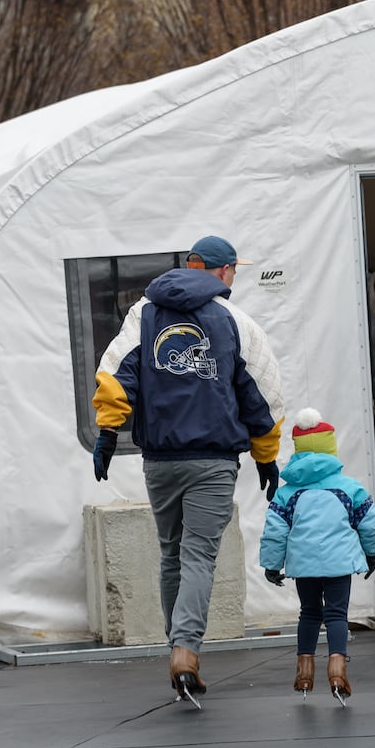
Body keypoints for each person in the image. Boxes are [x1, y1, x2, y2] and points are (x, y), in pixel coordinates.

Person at [91, 234, 284, 704]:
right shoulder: (236, 321)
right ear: (222, 272)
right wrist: (266, 454)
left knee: (172, 553)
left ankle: (175, 646)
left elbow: (117, 373)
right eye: (235, 271)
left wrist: (108, 432)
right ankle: (185, 650)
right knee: (199, 555)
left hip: (160, 460)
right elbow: (263, 394)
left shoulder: (143, 313)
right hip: (213, 461)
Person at [260, 409, 375, 703]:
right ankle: (338, 670)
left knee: (310, 613)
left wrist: (272, 564)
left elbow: (275, 531)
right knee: (336, 614)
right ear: (331, 447)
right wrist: (372, 553)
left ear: (298, 450)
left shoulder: (286, 494)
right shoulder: (348, 488)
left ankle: (304, 673)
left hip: (304, 567)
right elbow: (369, 523)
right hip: (339, 564)